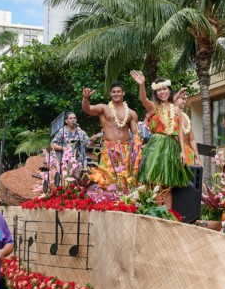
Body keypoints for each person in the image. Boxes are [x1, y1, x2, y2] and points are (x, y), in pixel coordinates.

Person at [130, 71, 192, 204]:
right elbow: (143, 99)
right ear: (156, 93)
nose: (162, 92)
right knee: (154, 183)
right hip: (156, 146)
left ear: (169, 90)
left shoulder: (176, 109)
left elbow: (180, 131)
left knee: (167, 185)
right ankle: (153, 212)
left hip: (172, 147)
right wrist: (141, 85)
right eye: (159, 90)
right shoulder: (154, 107)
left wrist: (183, 151)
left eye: (164, 89)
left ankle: (167, 218)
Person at [81, 81, 143, 187]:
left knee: (126, 178)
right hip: (109, 147)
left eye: (118, 91)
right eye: (114, 92)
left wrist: (137, 153)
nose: (116, 94)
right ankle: (107, 202)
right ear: (111, 94)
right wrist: (85, 98)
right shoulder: (103, 108)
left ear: (123, 93)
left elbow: (135, 134)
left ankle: (125, 201)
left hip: (126, 148)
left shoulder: (131, 113)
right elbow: (87, 109)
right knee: (107, 178)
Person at [175, 91, 200, 166]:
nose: (185, 101)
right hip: (175, 152)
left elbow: (192, 139)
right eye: (182, 98)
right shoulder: (170, 114)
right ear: (175, 98)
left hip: (187, 153)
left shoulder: (185, 117)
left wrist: (198, 158)